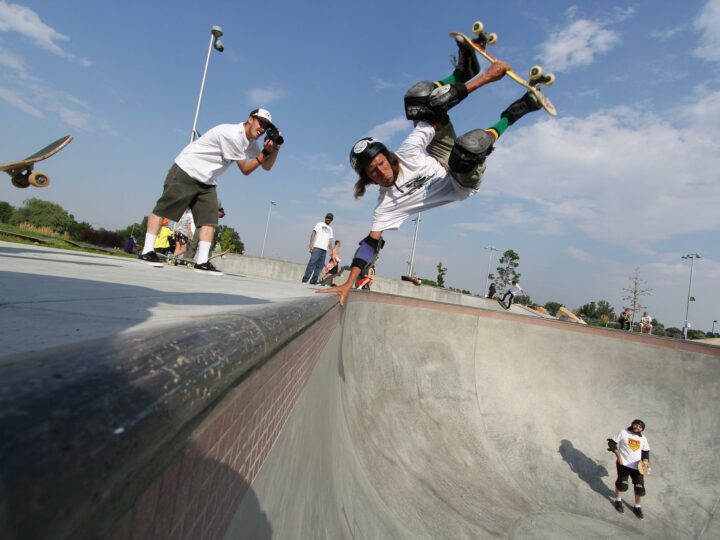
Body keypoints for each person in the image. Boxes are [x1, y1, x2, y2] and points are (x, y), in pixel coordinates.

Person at [320, 37, 541, 305]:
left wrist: (486, 78)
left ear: (388, 157)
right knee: (468, 147)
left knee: (419, 98)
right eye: (373, 172)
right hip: (461, 181)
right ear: (367, 179)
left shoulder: (408, 149)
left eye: (381, 163)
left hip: (439, 154)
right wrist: (347, 283)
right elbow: (370, 245)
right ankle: (517, 110)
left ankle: (463, 72)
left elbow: (438, 113)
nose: (381, 171)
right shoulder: (385, 207)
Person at [138, 108, 282, 274]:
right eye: (261, 123)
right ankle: (147, 251)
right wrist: (265, 152)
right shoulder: (232, 134)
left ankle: (202, 261)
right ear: (250, 119)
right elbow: (245, 169)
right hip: (187, 169)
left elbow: (267, 166)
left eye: (266, 126)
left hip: (207, 181)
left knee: (209, 221)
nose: (262, 129)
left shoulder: (250, 143)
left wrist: (275, 149)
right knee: (163, 209)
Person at [607, 419, 651, 519]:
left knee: (640, 489)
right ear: (632, 424)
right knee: (622, 484)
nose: (637, 427)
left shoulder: (643, 439)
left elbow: (646, 452)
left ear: (642, 430)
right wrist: (618, 457)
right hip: (623, 464)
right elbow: (612, 443)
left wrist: (644, 463)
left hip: (637, 467)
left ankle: (637, 507)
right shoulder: (623, 432)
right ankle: (618, 500)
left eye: (640, 427)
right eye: (636, 425)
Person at [302, 213, 334, 284]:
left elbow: (330, 241)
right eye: (327, 217)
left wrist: (331, 250)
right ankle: (305, 280)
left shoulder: (331, 229)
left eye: (330, 218)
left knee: (319, 267)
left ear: (332, 220)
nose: (328, 219)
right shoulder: (319, 224)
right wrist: (311, 244)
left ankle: (313, 281)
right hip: (317, 247)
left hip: (324, 250)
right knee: (312, 263)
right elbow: (313, 234)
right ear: (325, 217)